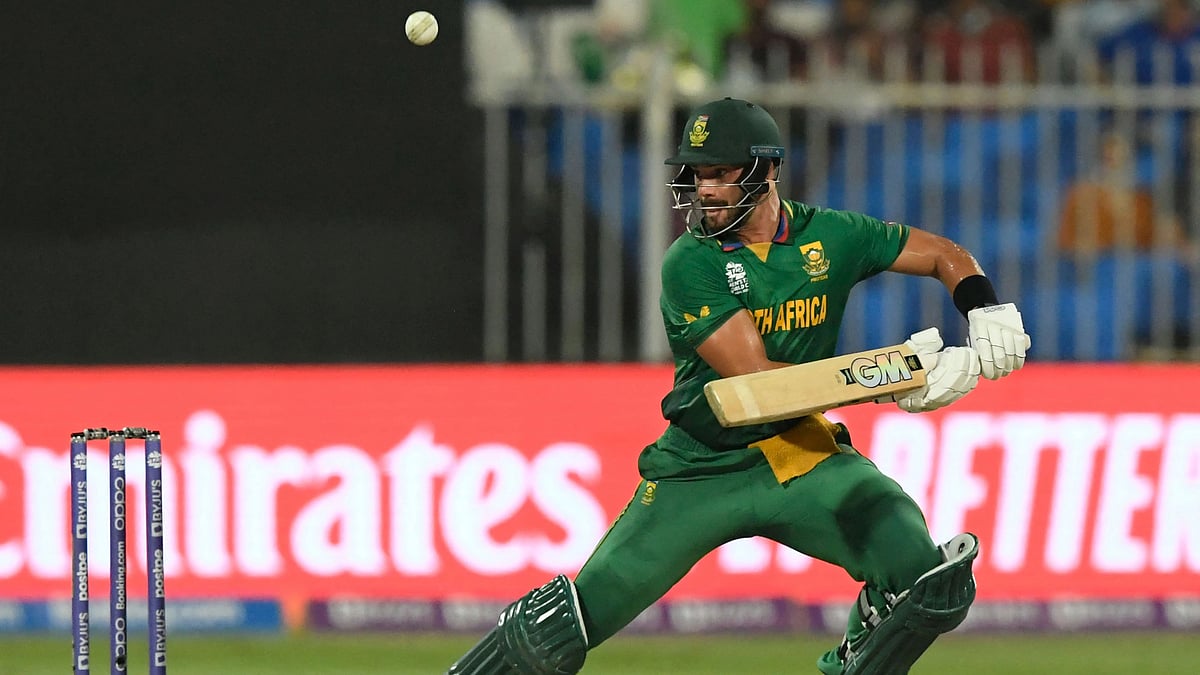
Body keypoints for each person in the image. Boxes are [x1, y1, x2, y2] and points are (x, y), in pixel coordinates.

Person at [446, 97, 1031, 675]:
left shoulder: (831, 235)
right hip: (701, 469)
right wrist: (897, 376)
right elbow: (756, 386)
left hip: (801, 454)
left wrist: (984, 307)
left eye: (721, 174)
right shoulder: (689, 263)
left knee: (924, 576)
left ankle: (856, 659)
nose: (705, 190)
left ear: (768, 169)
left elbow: (941, 255)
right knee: (569, 625)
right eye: (697, 175)